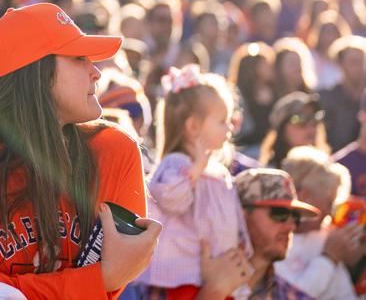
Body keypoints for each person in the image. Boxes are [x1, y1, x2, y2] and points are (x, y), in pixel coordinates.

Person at [0, 3, 161, 299]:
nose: (96, 72)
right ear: (35, 73)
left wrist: (98, 281)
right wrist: (96, 281)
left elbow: (113, 279)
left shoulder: (114, 150)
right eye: (78, 58)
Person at [136, 64, 252, 298]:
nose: (229, 128)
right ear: (193, 126)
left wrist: (243, 242)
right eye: (222, 121)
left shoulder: (217, 171)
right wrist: (194, 172)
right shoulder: (176, 164)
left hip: (219, 272)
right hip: (182, 277)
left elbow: (232, 214)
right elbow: (170, 198)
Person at [276, 146, 360, 299]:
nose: (330, 213)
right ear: (303, 196)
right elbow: (291, 296)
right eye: (329, 204)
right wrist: (328, 259)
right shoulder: (270, 238)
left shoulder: (325, 236)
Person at [234, 168, 322, 299]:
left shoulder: (292, 296)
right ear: (242, 214)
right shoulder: (197, 278)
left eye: (296, 217)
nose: (291, 226)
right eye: (279, 213)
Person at [259, 92, 330, 168]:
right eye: (300, 119)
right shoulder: (269, 174)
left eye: (315, 118)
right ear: (282, 130)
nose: (310, 126)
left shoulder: (329, 169)